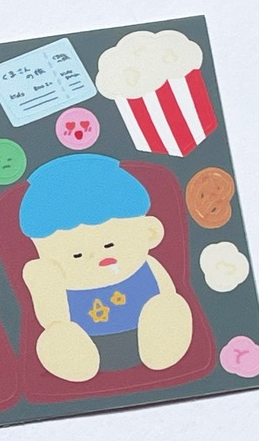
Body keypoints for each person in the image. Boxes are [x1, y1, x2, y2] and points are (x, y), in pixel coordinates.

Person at [18, 154, 193, 380]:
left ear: (150, 233)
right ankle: (71, 358)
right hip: (85, 342)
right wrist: (44, 285)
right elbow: (53, 318)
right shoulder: (59, 280)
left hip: (148, 332)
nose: (97, 257)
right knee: (57, 333)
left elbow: (166, 292)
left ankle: (165, 345)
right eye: (77, 254)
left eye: (109, 245)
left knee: (167, 305)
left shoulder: (146, 265)